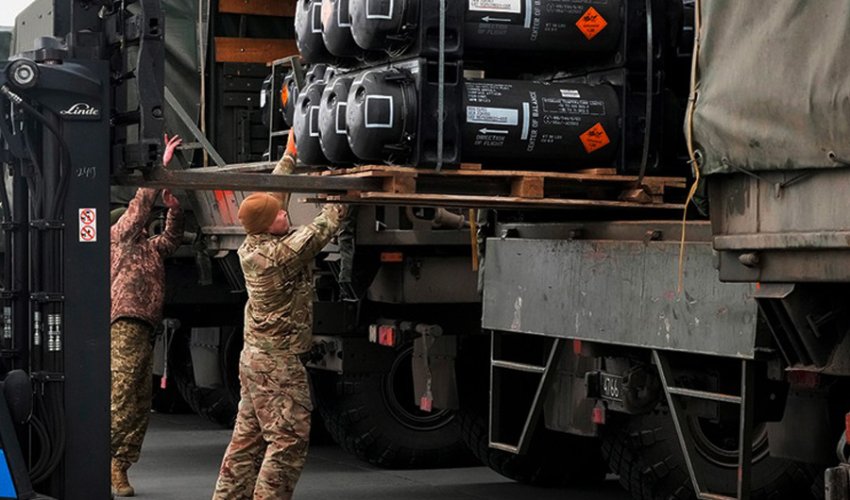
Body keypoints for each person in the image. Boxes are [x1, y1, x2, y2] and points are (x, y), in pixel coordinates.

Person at [213, 132, 346, 499]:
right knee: (288, 441)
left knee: (247, 440)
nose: (284, 213)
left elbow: (274, 198)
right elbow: (326, 225)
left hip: (255, 359)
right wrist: (342, 185)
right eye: (279, 215)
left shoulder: (254, 242)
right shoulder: (278, 257)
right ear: (267, 224)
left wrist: (289, 156)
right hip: (278, 364)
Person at [110, 134, 184, 497]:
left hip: (145, 327)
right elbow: (139, 207)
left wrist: (174, 208)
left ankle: (120, 465)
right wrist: (162, 167)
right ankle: (105, 460)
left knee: (140, 402)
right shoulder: (119, 239)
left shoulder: (150, 249)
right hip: (125, 324)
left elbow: (172, 239)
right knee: (122, 395)